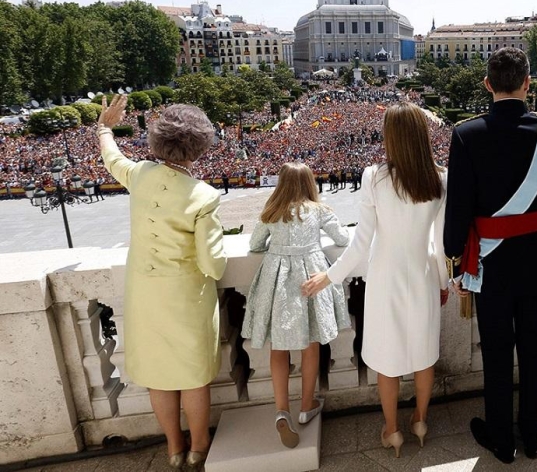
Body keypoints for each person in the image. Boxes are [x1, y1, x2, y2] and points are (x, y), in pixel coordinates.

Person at [444, 49, 537, 463]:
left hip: (491, 263)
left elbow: (457, 209)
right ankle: (532, 434)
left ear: (488, 85)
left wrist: (456, 261)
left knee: (495, 351)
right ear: (528, 85)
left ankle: (501, 440)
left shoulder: (466, 134)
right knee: (532, 347)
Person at [302, 102, 449, 459]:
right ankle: (420, 420)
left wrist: (329, 276)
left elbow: (360, 244)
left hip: (385, 278)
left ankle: (392, 429)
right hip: (424, 273)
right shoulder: (441, 177)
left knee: (388, 360)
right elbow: (441, 243)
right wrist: (444, 283)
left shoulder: (375, 177)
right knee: (423, 356)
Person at [97, 97, 227, 470]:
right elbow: (213, 264)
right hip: (184, 297)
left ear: (157, 141)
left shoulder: (139, 174)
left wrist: (105, 127)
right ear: (200, 147)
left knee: (159, 377)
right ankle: (199, 445)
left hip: (145, 296)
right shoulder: (203, 195)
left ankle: (173, 447)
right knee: (192, 377)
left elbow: (112, 157)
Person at [241, 162, 350, 448]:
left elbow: (254, 244)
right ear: (309, 182)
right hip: (309, 278)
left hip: (277, 280)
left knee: (279, 346)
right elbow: (343, 238)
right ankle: (306, 405)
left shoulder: (272, 211)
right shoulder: (319, 210)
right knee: (310, 344)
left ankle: (281, 411)